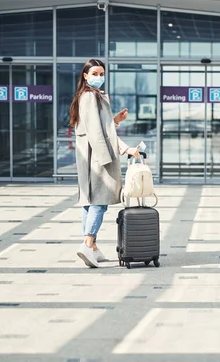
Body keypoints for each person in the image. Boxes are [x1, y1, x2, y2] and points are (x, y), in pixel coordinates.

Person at [69, 59, 140, 268]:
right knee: (99, 201)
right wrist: (115, 154)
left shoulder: (88, 96)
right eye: (95, 73)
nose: (99, 77)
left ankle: (93, 248)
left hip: (91, 157)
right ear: (85, 75)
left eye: (102, 73)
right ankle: (88, 243)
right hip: (98, 158)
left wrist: (115, 120)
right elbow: (97, 133)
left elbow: (101, 126)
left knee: (89, 202)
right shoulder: (90, 96)